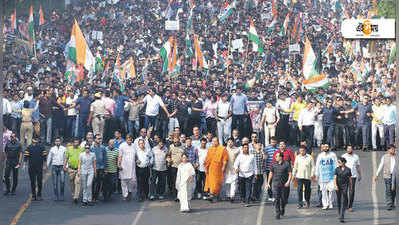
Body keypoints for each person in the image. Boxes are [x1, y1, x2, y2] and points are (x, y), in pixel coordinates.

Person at [266, 152, 293, 220]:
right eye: (275, 157)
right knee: (277, 199)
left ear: (281, 157)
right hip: (276, 184)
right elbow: (271, 173)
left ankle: (283, 207)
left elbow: (290, 174)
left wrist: (288, 182)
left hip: (284, 185)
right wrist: (268, 182)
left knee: (284, 199)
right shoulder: (273, 164)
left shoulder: (286, 164)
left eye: (277, 156)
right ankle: (277, 213)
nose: (275, 158)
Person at [204, 137, 229, 202]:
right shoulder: (210, 149)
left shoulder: (222, 149)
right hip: (211, 168)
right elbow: (207, 159)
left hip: (219, 168)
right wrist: (206, 168)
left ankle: (217, 195)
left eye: (215, 141)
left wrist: (224, 166)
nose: (214, 143)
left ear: (218, 142)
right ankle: (212, 195)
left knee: (218, 182)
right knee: (212, 182)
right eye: (213, 141)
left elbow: (225, 159)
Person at [374, 144, 398, 210]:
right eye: (392, 149)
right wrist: (377, 174)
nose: (393, 150)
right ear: (388, 150)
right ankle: (389, 204)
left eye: (394, 149)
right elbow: (381, 165)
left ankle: (392, 202)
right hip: (387, 175)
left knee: (394, 190)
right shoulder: (384, 157)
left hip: (395, 175)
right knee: (388, 189)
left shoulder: (396, 156)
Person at [23, 136, 47, 201]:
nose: (35, 140)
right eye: (34, 139)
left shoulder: (42, 147)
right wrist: (24, 165)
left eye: (37, 139)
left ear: (38, 140)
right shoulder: (29, 147)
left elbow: (44, 156)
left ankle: (39, 195)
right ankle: (33, 195)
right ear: (32, 139)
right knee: (32, 181)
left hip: (39, 167)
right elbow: (26, 156)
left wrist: (45, 165)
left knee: (39, 181)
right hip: (31, 167)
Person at [315, 143, 338, 210]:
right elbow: (317, 166)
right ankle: (325, 204)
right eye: (324, 147)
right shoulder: (320, 156)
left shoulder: (333, 155)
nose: (326, 148)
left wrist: (336, 174)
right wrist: (316, 175)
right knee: (323, 191)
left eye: (327, 147)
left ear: (329, 147)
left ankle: (330, 203)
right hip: (322, 177)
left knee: (331, 190)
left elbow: (336, 164)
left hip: (331, 176)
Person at [341, 145, 362, 211]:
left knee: (351, 191)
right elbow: (340, 166)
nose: (349, 150)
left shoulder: (356, 157)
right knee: (344, 191)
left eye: (350, 148)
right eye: (348, 148)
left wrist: (360, 175)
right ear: (346, 149)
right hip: (344, 176)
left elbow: (358, 166)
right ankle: (346, 204)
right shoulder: (343, 156)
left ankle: (350, 206)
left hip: (353, 176)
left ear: (352, 149)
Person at [64, 138, 83, 204]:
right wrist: (64, 166)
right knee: (71, 181)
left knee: (77, 182)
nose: (76, 144)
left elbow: (83, 158)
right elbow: (66, 158)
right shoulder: (69, 149)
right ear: (73, 143)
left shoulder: (81, 149)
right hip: (71, 168)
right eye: (75, 142)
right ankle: (73, 193)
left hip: (78, 169)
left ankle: (76, 197)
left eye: (77, 142)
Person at [47, 137, 67, 201]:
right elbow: (49, 157)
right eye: (56, 141)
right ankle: (56, 195)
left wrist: (66, 166)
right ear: (55, 142)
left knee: (62, 182)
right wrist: (47, 165)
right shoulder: (52, 149)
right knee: (55, 183)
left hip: (61, 166)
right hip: (54, 166)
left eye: (59, 141)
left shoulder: (64, 149)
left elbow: (66, 158)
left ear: (60, 142)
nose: (57, 142)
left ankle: (61, 195)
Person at [334, 157, 353, 223]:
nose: (338, 163)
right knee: (339, 200)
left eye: (339, 162)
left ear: (343, 162)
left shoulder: (348, 169)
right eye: (338, 162)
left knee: (344, 200)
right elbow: (335, 178)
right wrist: (335, 185)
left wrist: (351, 187)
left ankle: (342, 216)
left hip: (345, 186)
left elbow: (350, 179)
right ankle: (340, 214)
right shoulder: (337, 169)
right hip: (338, 186)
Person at [118, 134, 137, 201]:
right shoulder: (122, 146)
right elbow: (120, 156)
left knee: (132, 181)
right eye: (128, 139)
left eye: (130, 140)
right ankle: (125, 195)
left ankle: (130, 191)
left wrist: (137, 160)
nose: (129, 141)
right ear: (126, 139)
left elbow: (136, 155)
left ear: (132, 140)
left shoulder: (134, 146)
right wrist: (119, 164)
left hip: (132, 166)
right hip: (124, 166)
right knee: (124, 181)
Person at [166, 135, 185, 200]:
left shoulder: (183, 146)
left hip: (181, 167)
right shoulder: (171, 146)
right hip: (173, 166)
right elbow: (168, 155)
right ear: (173, 141)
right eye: (175, 142)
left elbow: (185, 155)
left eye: (177, 141)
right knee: (174, 181)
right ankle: (175, 195)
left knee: (181, 181)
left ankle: (181, 194)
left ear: (179, 140)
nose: (176, 143)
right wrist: (168, 159)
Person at [91, 134, 107, 202]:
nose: (99, 140)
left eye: (100, 138)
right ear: (94, 139)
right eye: (98, 138)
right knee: (92, 182)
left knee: (98, 183)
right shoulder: (91, 148)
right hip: (93, 167)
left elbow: (105, 158)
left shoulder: (103, 148)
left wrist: (105, 168)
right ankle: (92, 196)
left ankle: (96, 197)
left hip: (101, 167)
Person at [224, 138, 240, 202]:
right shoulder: (224, 149)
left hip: (234, 169)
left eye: (231, 142)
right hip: (226, 169)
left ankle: (232, 196)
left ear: (233, 142)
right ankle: (228, 195)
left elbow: (239, 159)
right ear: (227, 143)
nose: (230, 143)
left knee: (234, 183)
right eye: (229, 142)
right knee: (227, 183)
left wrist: (238, 167)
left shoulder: (236, 150)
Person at [264, 137, 278, 201]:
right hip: (268, 168)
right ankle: (270, 195)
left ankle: (276, 195)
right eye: (272, 142)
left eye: (274, 142)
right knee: (269, 182)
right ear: (270, 142)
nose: (273, 143)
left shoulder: (278, 148)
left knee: (276, 182)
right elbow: (264, 157)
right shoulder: (266, 148)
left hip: (277, 168)